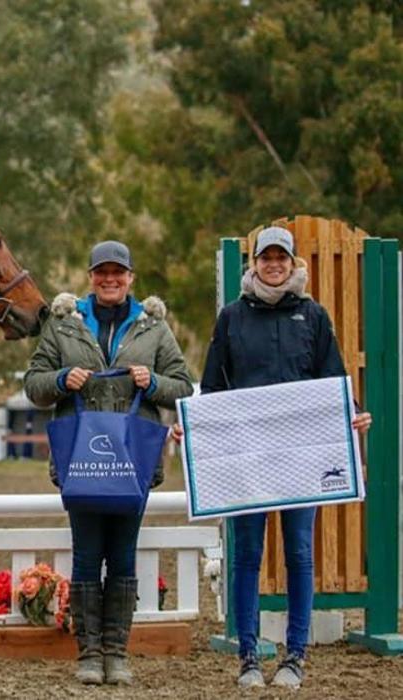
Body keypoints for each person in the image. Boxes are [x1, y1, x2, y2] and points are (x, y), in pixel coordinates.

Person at [192, 226, 373, 689]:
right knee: (247, 555)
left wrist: (352, 415)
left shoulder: (312, 316)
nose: (274, 264)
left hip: (302, 460)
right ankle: (249, 657)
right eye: (266, 257)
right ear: (253, 263)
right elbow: (212, 388)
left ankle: (295, 657)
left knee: (298, 553)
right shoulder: (231, 318)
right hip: (247, 458)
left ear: (293, 263)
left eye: (281, 257)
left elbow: (332, 379)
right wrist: (194, 429)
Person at [23, 240, 193, 686]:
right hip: (82, 458)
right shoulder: (63, 325)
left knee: (122, 556)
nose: (110, 279)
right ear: (91, 276)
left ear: (131, 278)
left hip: (133, 461)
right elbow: (34, 386)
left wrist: (152, 381)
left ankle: (117, 653)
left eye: (118, 272)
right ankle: (89, 654)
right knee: (85, 556)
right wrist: (62, 378)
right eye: (102, 272)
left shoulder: (153, 327)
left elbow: (183, 385)